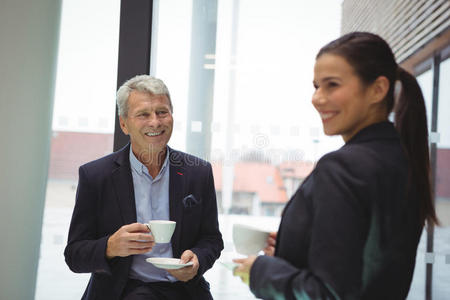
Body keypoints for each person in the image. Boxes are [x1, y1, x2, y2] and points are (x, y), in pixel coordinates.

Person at [233, 32, 439, 299]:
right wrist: (290, 251)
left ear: (378, 89)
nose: (317, 98)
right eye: (316, 86)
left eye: (332, 85)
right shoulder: (402, 160)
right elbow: (366, 266)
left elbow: (328, 293)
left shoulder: (343, 167)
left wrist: (260, 270)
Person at [64, 75, 224, 300]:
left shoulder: (198, 172)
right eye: (143, 114)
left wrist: (197, 259)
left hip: (184, 291)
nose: (155, 122)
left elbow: (212, 239)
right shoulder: (95, 176)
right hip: (122, 292)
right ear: (124, 123)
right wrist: (110, 246)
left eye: (162, 112)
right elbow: (74, 255)